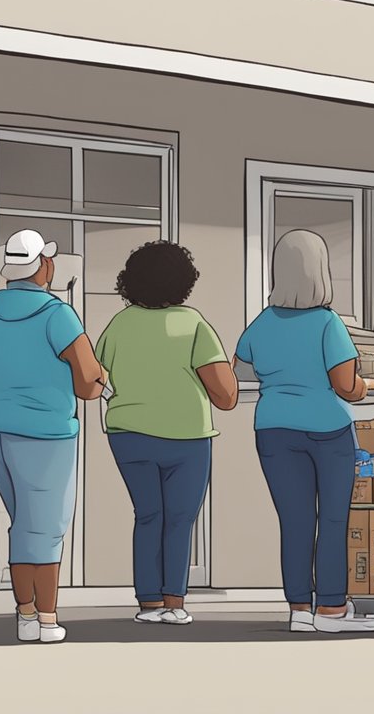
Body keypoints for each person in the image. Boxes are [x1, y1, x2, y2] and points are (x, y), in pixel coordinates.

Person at [235, 230, 374, 634]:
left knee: (294, 522)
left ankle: (299, 610)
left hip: (273, 430)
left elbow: (239, 371)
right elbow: (347, 384)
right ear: (320, 271)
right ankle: (331, 608)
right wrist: (367, 385)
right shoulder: (328, 324)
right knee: (333, 520)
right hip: (328, 431)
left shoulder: (261, 324)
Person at [0, 230, 107, 643]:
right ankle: (45, 619)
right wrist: (100, 382)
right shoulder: (58, 314)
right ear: (42, 266)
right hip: (47, 433)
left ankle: (24, 612)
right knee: (45, 526)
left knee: (23, 521)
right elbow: (87, 382)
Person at [97, 241, 239, 626]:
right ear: (183, 281)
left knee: (147, 515)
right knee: (179, 518)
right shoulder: (193, 324)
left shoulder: (118, 324)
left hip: (128, 435)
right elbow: (226, 396)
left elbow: (96, 381)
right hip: (187, 438)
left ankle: (149, 603)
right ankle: (174, 602)